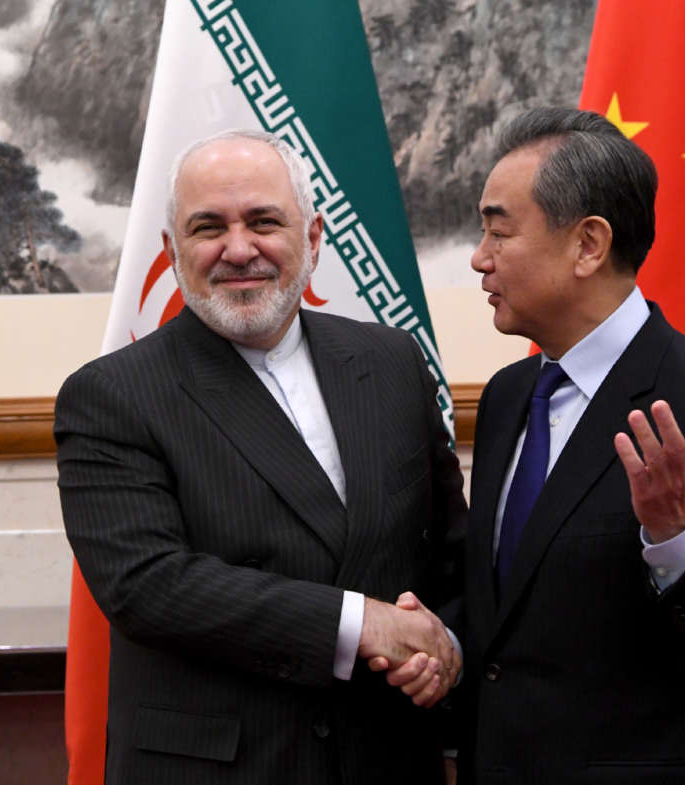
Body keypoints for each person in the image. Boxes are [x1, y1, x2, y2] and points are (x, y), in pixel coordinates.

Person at [54, 129, 466, 785]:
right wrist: (361, 624)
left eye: (264, 221)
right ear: (172, 250)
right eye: (208, 227)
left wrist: (442, 651)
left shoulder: (390, 362)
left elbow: (450, 554)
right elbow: (148, 585)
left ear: (312, 238)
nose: (239, 248)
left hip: (385, 759)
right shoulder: (112, 396)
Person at [456, 107, 685, 783]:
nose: (479, 257)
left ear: (589, 245)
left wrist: (678, 536)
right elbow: (516, 618)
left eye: (499, 231)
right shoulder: (506, 397)